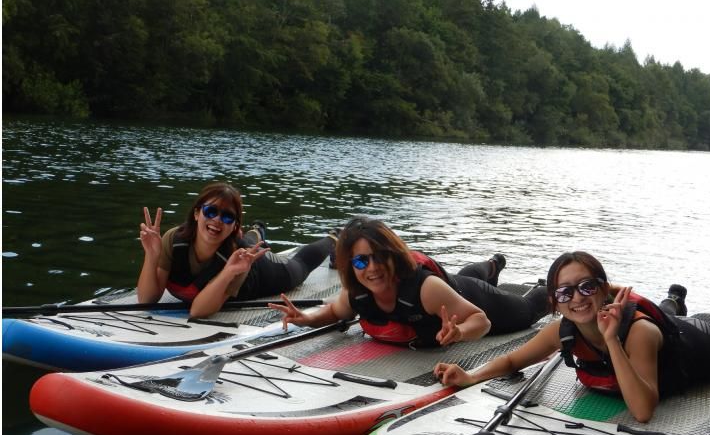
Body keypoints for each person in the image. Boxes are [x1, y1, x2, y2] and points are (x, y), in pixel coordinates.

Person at [434, 251, 710, 422]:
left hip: (697, 348)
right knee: (651, 314)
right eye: (564, 293)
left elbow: (641, 410)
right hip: (641, 327)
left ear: (602, 289)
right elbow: (514, 360)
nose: (576, 298)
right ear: (555, 303)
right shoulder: (562, 330)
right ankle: (673, 302)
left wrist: (611, 340)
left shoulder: (637, 333)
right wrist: (469, 376)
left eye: (586, 286)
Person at [270, 216, 550, 348]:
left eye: (379, 258)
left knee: (528, 310)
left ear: (393, 256)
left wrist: (460, 333)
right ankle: (491, 265)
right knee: (464, 277)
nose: (372, 269)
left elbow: (482, 320)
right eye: (360, 262)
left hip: (476, 299)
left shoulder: (426, 289)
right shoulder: (357, 290)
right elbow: (335, 312)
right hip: (454, 286)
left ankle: (546, 288)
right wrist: (307, 318)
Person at [137, 182, 336, 318]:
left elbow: (197, 311)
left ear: (234, 226)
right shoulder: (173, 239)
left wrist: (229, 272)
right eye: (211, 211)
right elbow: (147, 299)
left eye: (227, 217)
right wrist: (152, 256)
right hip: (235, 245)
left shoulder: (238, 258)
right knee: (234, 239)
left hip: (254, 270)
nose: (216, 220)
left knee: (297, 267)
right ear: (197, 213)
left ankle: (334, 238)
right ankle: (257, 231)